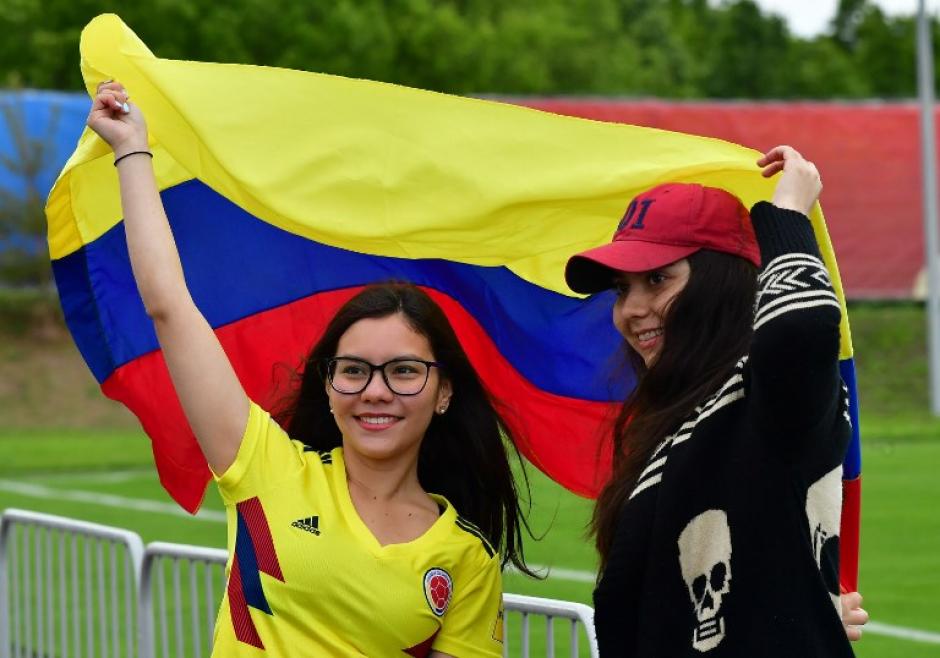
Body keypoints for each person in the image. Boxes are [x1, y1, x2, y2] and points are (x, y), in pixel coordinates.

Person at [88, 81, 533, 657]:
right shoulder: (266, 469)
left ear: (443, 392)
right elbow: (169, 306)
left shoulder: (466, 558)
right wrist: (131, 150)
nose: (376, 391)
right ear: (328, 386)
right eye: (354, 371)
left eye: (403, 372)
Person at [564, 147, 869, 656]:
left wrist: (789, 212)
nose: (632, 309)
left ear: (721, 284)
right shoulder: (670, 421)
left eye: (658, 279)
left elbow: (802, 328)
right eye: (622, 288)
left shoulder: (767, 396)